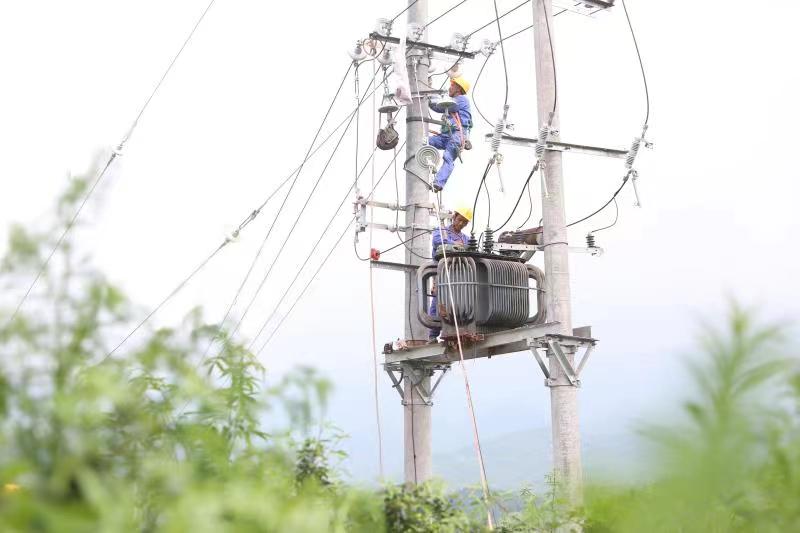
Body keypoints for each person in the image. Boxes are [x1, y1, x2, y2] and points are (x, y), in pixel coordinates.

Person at [428, 207, 472, 342]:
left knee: (459, 302)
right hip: (441, 273)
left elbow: (470, 249)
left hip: (459, 275)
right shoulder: (442, 231)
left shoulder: (466, 238)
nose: (461, 224)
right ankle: (432, 335)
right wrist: (455, 244)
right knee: (439, 301)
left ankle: (455, 331)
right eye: (459, 220)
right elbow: (437, 242)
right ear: (454, 217)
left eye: (464, 222)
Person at [428, 77, 472, 193]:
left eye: (452, 86)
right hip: (445, 136)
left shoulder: (462, 99)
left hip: (456, 136)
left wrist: (431, 93)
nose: (449, 88)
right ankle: (423, 162)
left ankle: (438, 183)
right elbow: (437, 107)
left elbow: (440, 105)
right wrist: (428, 94)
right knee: (424, 141)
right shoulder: (453, 102)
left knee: (448, 157)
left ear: (458, 88)